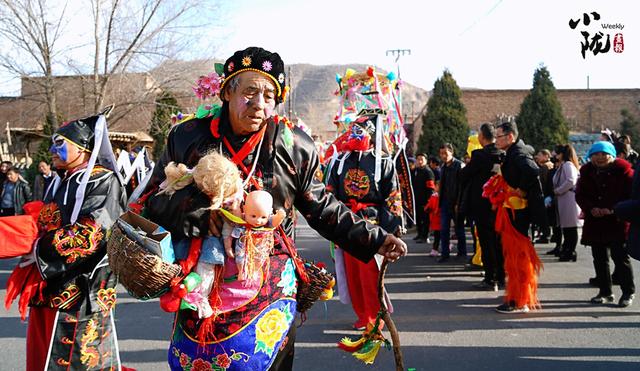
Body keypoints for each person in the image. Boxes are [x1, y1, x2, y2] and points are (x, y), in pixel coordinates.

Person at [142, 47, 407, 371]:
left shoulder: (294, 146)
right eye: (249, 91)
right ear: (227, 91)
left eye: (269, 95)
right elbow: (151, 199)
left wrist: (374, 238)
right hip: (203, 280)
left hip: (269, 279)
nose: (258, 103)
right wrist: (197, 213)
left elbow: (320, 206)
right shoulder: (188, 137)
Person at [11, 113, 127, 370]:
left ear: (84, 148)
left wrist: (38, 247)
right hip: (49, 286)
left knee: (76, 360)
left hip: (81, 292)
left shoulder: (102, 181)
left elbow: (92, 234)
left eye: (60, 143)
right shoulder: (59, 181)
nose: (52, 150)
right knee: (42, 359)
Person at [488, 120, 546, 313]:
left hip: (518, 213)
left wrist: (520, 189)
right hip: (514, 211)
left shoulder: (518, 153)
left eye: (499, 136)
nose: (496, 140)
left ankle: (518, 300)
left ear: (510, 136)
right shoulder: (513, 152)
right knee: (516, 256)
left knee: (517, 256)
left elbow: (532, 171)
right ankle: (519, 296)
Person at [575, 141, 635, 307]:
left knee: (620, 258)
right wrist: (590, 208)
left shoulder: (625, 173)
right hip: (595, 222)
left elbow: (631, 196)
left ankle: (628, 292)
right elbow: (580, 194)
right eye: (595, 154)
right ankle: (605, 292)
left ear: (612, 155)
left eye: (604, 154)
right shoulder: (586, 172)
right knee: (600, 259)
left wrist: (613, 209)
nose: (600, 157)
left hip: (617, 221)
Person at [458, 123, 504, 291]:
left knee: (486, 242)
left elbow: (463, 175)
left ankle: (490, 278)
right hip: (499, 204)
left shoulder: (479, 155)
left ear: (482, 137)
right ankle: (501, 276)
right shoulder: (502, 154)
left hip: (482, 204)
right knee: (499, 242)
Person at [552, 144, 582, 262]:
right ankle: (567, 249)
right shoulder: (563, 165)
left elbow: (571, 180)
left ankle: (571, 251)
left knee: (571, 227)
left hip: (568, 198)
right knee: (567, 227)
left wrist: (559, 190)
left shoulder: (568, 165)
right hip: (564, 199)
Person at [438, 143, 466, 262]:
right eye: (441, 154)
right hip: (445, 202)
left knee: (459, 229)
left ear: (451, 152)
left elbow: (462, 186)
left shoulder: (459, 165)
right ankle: (445, 254)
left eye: (446, 153)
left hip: (456, 202)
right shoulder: (443, 166)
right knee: (444, 229)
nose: (444, 156)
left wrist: (458, 203)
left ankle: (462, 252)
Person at [412, 153, 435, 243]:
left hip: (425, 200)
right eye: (418, 159)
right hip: (416, 199)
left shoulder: (428, 172)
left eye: (422, 159)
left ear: (426, 161)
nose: (420, 161)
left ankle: (425, 236)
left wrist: (429, 201)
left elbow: (431, 188)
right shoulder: (416, 171)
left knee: (425, 219)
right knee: (418, 218)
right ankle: (419, 233)